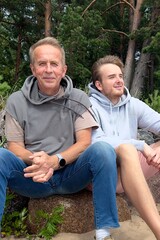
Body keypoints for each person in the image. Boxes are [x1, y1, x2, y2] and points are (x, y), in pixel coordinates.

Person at [0, 37, 119, 240]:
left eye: (54, 64)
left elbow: (84, 143)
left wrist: (54, 161)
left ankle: (103, 233)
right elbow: (14, 147)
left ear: (63, 69)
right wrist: (38, 161)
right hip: (32, 177)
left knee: (103, 150)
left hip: (71, 174)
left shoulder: (79, 98)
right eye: (42, 63)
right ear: (33, 68)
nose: (48, 70)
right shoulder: (16, 101)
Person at [88, 54, 160, 240]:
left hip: (131, 171)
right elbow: (97, 141)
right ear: (99, 85)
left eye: (120, 76)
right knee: (127, 149)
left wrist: (155, 154)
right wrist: (139, 144)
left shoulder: (132, 105)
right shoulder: (88, 106)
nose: (119, 81)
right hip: (101, 177)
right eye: (112, 77)